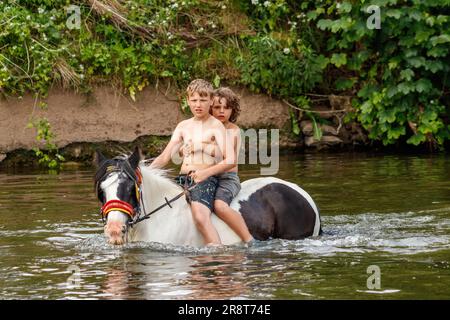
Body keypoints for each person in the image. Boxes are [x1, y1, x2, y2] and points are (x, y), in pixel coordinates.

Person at [149, 79, 235, 246]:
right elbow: (165, 157)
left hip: (205, 180)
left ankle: (217, 251)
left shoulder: (216, 125)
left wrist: (205, 173)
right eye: (194, 100)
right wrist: (142, 172)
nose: (198, 105)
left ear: (211, 101)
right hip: (183, 178)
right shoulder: (183, 126)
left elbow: (230, 160)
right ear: (187, 101)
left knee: (200, 216)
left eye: (203, 100)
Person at [209, 87, 254, 244]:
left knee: (220, 206)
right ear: (210, 108)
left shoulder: (234, 131)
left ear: (232, 110)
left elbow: (225, 158)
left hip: (228, 178)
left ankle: (248, 239)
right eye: (217, 107)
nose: (222, 111)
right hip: (208, 176)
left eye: (227, 108)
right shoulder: (205, 128)